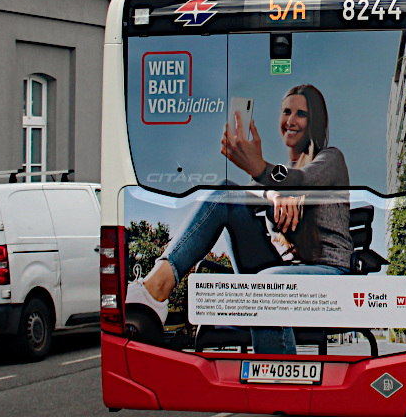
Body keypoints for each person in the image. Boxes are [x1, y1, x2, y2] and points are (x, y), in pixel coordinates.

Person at [143, 83, 351, 354]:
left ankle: (277, 380)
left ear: (315, 121)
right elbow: (255, 190)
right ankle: (153, 290)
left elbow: (302, 180)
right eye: (286, 111)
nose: (290, 120)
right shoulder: (283, 175)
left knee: (266, 285)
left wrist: (261, 169)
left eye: (301, 114)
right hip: (280, 273)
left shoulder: (330, 159)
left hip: (329, 274)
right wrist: (273, 195)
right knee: (225, 193)